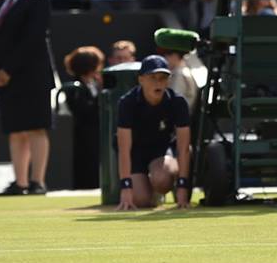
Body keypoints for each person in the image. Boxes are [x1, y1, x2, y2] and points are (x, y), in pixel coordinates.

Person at [0, 0, 56, 196]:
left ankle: (37, 181)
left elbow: (33, 39)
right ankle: (20, 182)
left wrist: (8, 69)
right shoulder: (3, 2)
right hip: (8, 77)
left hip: (32, 75)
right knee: (16, 129)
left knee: (36, 127)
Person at [116, 55, 191, 210]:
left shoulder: (178, 102)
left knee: (162, 179)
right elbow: (124, 150)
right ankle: (151, 194)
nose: (158, 83)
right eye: (152, 78)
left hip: (162, 151)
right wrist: (126, 188)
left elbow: (183, 147)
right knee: (140, 200)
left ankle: (163, 187)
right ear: (141, 80)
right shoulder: (127, 103)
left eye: (163, 78)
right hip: (135, 153)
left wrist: (183, 186)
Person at [62, 45, 104, 189]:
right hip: (82, 137)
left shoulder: (91, 84)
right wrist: (100, 93)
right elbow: (85, 111)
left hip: (94, 136)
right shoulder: (75, 88)